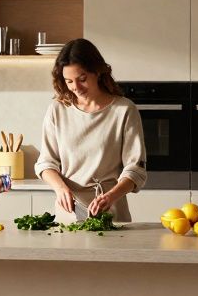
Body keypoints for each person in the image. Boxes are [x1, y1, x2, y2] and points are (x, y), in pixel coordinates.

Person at [33, 38, 147, 222]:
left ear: (98, 72)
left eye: (82, 79)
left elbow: (136, 169)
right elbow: (46, 163)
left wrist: (110, 196)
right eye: (69, 81)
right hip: (68, 213)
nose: (75, 88)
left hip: (111, 211)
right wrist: (60, 188)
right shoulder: (57, 109)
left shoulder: (124, 110)